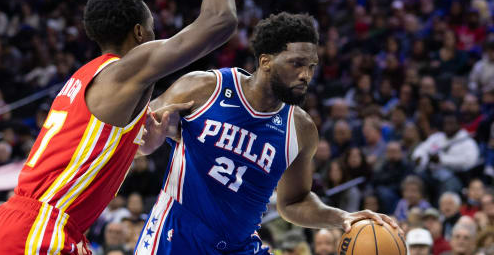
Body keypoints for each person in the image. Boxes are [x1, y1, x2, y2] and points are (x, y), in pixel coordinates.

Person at [0, 0, 238, 253]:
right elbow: (220, 20)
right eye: (154, 29)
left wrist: (146, 143)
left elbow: (93, 153)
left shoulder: (87, 78)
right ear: (139, 31)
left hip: (22, 223)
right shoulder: (127, 68)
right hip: (40, 230)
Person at [134, 13, 396, 254]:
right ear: (266, 61)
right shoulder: (205, 88)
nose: (306, 75)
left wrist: (340, 217)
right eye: (297, 64)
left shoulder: (301, 129)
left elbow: (294, 202)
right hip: (177, 236)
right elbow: (137, 132)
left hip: (240, 245)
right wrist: (150, 138)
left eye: (312, 66)